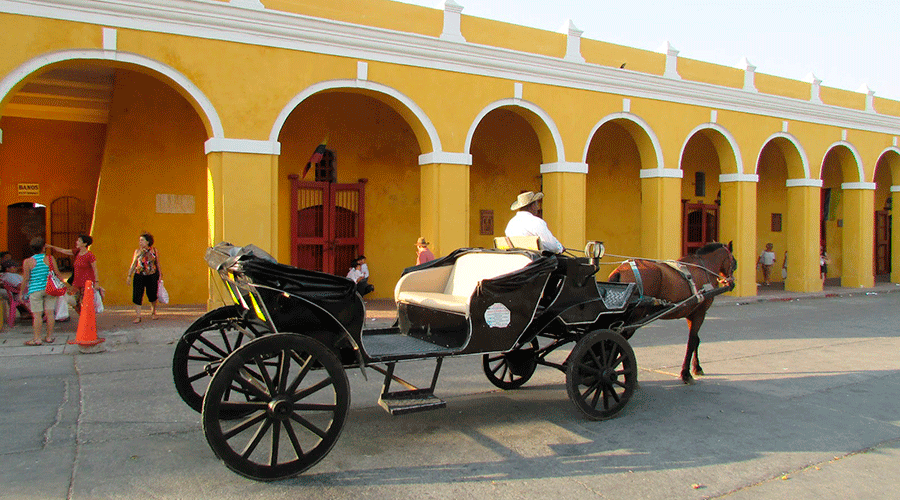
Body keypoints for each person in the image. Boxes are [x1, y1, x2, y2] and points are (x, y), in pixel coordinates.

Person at [47, 235, 102, 314]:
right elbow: (63, 250)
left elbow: (95, 269)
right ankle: (83, 318)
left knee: (86, 303)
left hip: (86, 284)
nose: (77, 242)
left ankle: (87, 319)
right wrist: (51, 247)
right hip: (76, 284)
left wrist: (96, 282)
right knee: (74, 302)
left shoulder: (90, 255)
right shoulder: (76, 252)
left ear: (85, 244)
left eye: (79, 241)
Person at [19, 238, 59, 345]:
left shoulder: (27, 261)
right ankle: (49, 337)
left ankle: (37, 339)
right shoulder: (50, 259)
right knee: (50, 313)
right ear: (43, 248)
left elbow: (25, 278)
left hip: (35, 290)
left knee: (37, 315)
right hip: (50, 289)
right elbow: (57, 274)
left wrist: (21, 293)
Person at [126, 232, 162, 323]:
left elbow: (157, 263)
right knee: (137, 295)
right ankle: (138, 316)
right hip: (139, 275)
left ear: (148, 241)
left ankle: (153, 312)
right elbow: (133, 264)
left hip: (152, 275)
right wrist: (129, 275)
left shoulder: (154, 251)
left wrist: (160, 274)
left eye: (142, 240)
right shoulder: (137, 251)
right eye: (140, 240)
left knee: (152, 294)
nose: (140, 242)